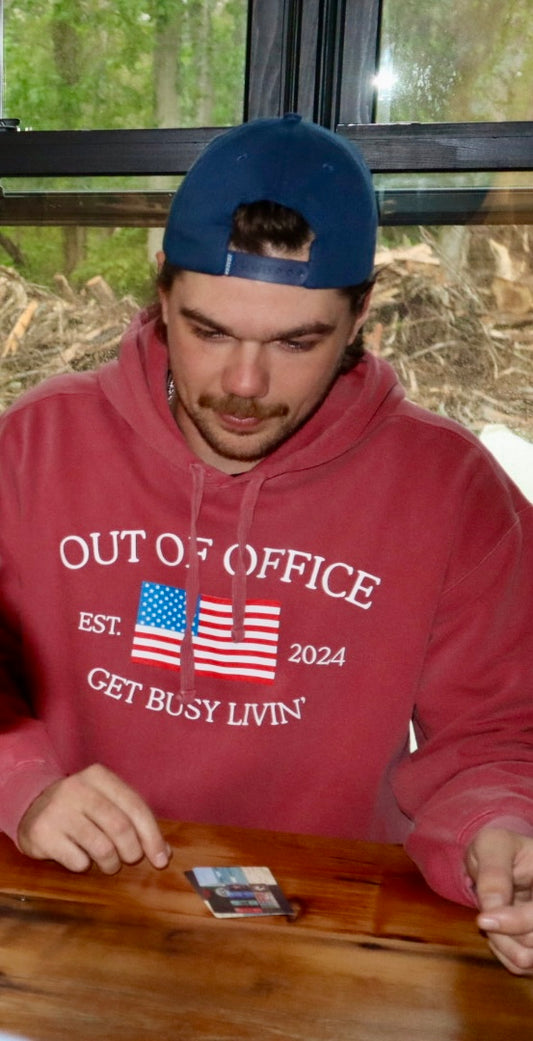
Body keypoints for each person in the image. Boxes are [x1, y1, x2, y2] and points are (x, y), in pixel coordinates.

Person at [0, 114, 532, 976]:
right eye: (209, 330)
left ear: (359, 315)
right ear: (161, 292)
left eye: (295, 342)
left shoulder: (453, 489)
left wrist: (497, 831)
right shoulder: (34, 445)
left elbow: (497, 731)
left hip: (332, 941)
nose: (243, 384)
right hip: (66, 918)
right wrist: (20, 782)